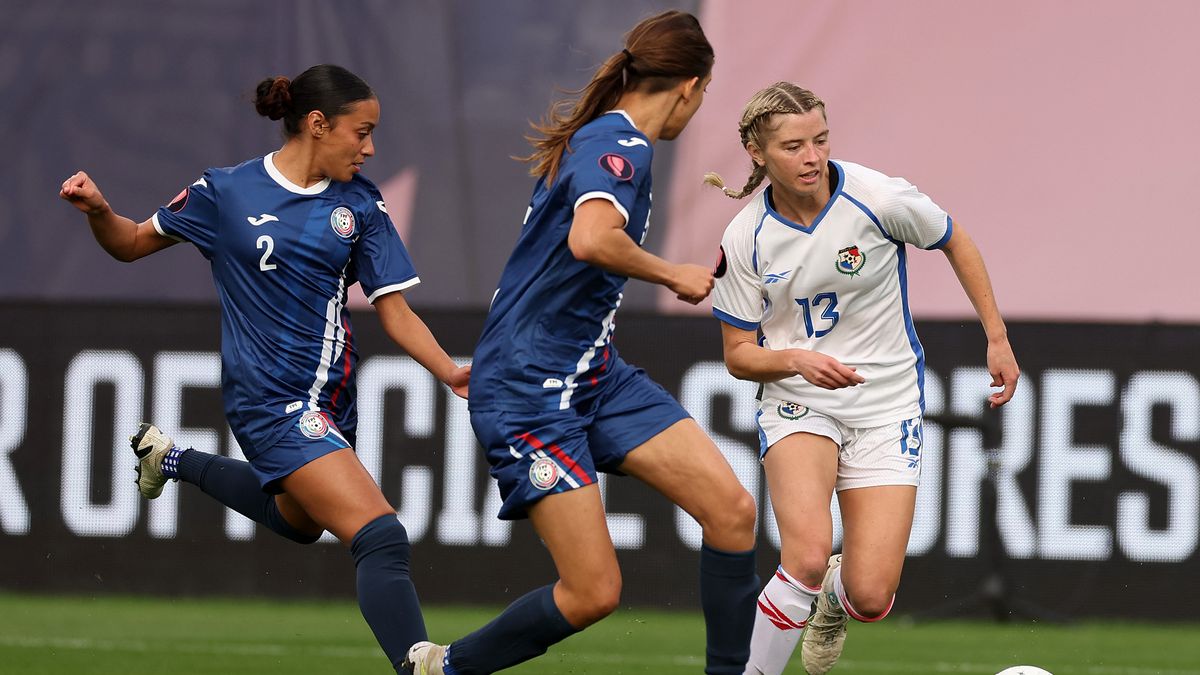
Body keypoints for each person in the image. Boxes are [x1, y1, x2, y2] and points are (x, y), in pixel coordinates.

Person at [58, 64, 469, 674]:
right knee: (380, 536)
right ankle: (418, 665)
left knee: (297, 522)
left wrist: (450, 372)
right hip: (269, 402)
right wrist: (98, 210)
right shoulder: (225, 192)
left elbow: (395, 310)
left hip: (329, 401)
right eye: (361, 132)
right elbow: (131, 242)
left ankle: (169, 460)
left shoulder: (361, 202)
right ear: (316, 123)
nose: (370, 147)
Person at [403, 10, 759, 675]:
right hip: (528, 388)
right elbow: (590, 239)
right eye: (703, 95)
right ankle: (444, 668)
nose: (698, 107)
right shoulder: (618, 147)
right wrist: (672, 272)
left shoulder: (607, 141)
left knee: (733, 510)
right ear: (688, 86)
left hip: (592, 374)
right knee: (594, 592)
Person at [704, 82, 1019, 675]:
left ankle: (834, 602)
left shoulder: (879, 197)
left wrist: (996, 337)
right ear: (756, 151)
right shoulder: (744, 238)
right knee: (803, 555)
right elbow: (739, 356)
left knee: (871, 596)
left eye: (820, 140)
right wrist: (797, 360)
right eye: (794, 145)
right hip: (800, 403)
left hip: (887, 405)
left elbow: (956, 240)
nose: (812, 156)